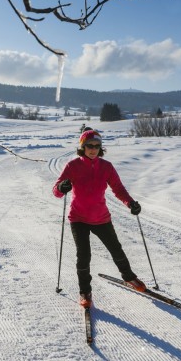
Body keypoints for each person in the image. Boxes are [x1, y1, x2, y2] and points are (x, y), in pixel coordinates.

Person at [53, 129, 145, 309]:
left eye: (97, 146)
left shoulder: (107, 167)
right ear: (82, 147)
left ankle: (128, 277)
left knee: (116, 249)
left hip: (101, 217)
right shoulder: (73, 166)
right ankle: (85, 291)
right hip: (78, 218)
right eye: (89, 146)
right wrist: (62, 187)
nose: (93, 149)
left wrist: (130, 203)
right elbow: (56, 191)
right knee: (83, 256)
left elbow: (118, 188)